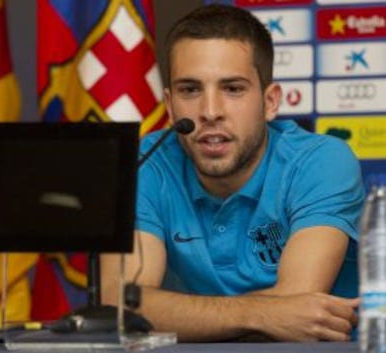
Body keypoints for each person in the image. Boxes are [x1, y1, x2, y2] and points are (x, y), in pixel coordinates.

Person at [101, 4, 365, 342]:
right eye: (190, 90)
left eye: (233, 88)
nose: (210, 111)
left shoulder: (321, 161)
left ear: (270, 102)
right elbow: (121, 307)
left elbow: (299, 313)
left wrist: (176, 312)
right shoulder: (146, 163)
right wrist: (263, 313)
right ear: (169, 105)